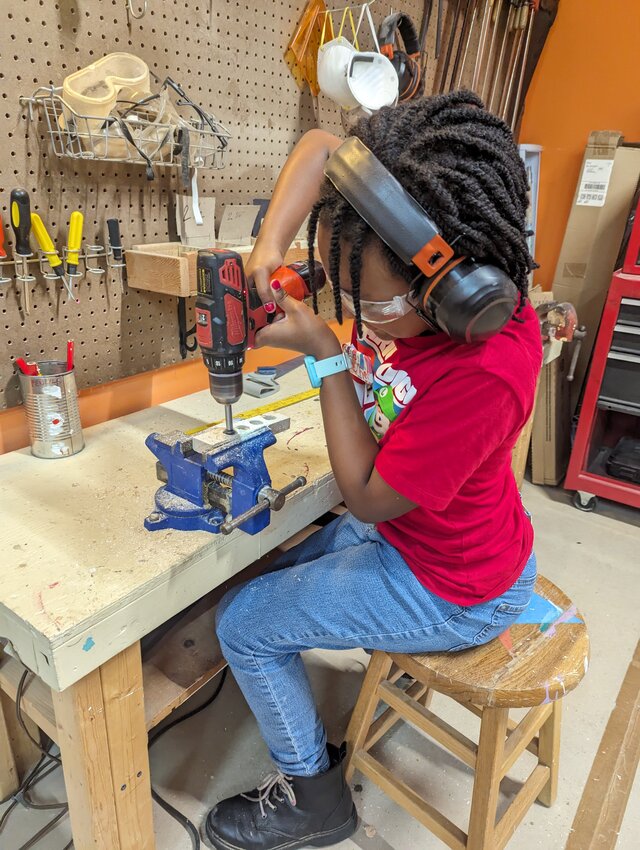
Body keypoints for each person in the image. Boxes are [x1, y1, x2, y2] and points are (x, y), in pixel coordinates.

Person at [203, 90, 542, 850]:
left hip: (456, 587)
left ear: (458, 294)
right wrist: (269, 249)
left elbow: (367, 497)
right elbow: (325, 145)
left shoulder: (486, 367)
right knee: (270, 569)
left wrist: (327, 355)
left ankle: (313, 798)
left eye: (377, 307)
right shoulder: (422, 275)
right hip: (428, 542)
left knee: (245, 624)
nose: (363, 312)